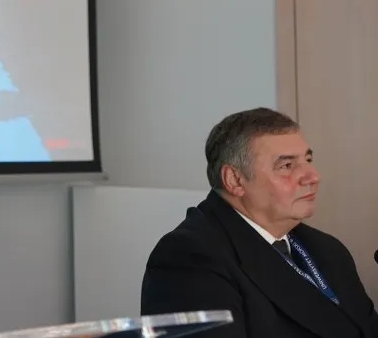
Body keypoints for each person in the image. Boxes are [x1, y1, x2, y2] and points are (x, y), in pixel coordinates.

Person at [141, 107, 378, 338]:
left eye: (308, 160)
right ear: (235, 180)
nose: (313, 176)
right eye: (287, 166)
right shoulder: (189, 257)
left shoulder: (328, 249)